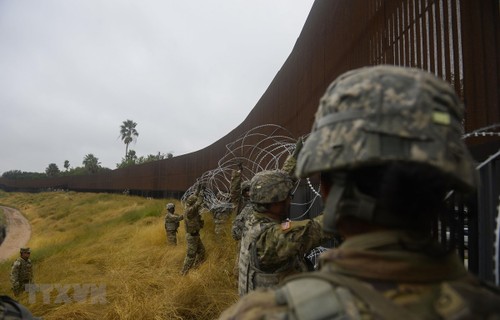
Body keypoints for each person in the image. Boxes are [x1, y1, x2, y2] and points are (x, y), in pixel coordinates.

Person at [219, 65, 500, 319]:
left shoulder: (266, 313)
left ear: (329, 191)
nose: (290, 198)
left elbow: (281, 196)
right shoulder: (484, 305)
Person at [237, 169, 329, 296]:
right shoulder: (269, 239)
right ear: (274, 202)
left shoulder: (251, 220)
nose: (289, 202)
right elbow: (318, 228)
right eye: (288, 197)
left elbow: (269, 183)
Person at [180, 187, 206, 275]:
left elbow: (194, 198)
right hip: (192, 236)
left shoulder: (190, 207)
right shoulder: (190, 211)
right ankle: (183, 273)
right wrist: (202, 195)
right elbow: (198, 203)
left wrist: (198, 190)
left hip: (195, 236)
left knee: (202, 251)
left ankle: (196, 267)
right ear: (192, 203)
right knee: (191, 255)